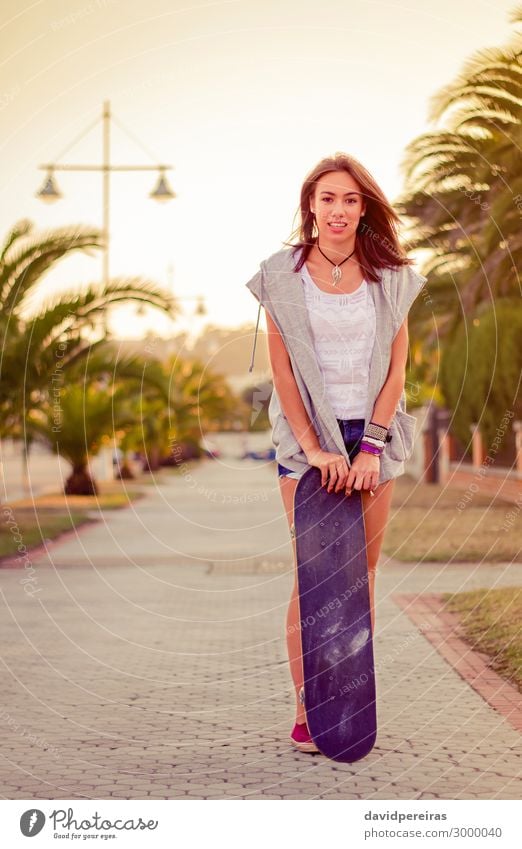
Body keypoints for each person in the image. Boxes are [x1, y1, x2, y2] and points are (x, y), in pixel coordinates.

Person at [245, 152, 427, 754]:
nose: (339, 210)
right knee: (315, 578)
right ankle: (308, 710)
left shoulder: (391, 276)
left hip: (371, 436)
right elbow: (283, 373)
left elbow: (398, 369)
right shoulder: (281, 274)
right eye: (328, 199)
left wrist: (370, 447)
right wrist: (317, 449)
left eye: (351, 200)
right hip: (306, 443)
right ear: (311, 206)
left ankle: (348, 705)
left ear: (364, 207)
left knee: (360, 579)